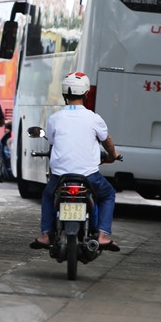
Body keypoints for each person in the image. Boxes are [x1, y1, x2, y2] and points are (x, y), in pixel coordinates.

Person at [29, 71, 121, 252]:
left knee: (48, 195)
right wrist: (113, 154)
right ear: (87, 94)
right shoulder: (94, 118)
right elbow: (107, 140)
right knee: (108, 194)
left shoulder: (55, 118)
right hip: (89, 176)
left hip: (60, 176)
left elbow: (54, 142)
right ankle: (102, 236)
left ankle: (46, 235)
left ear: (64, 94)